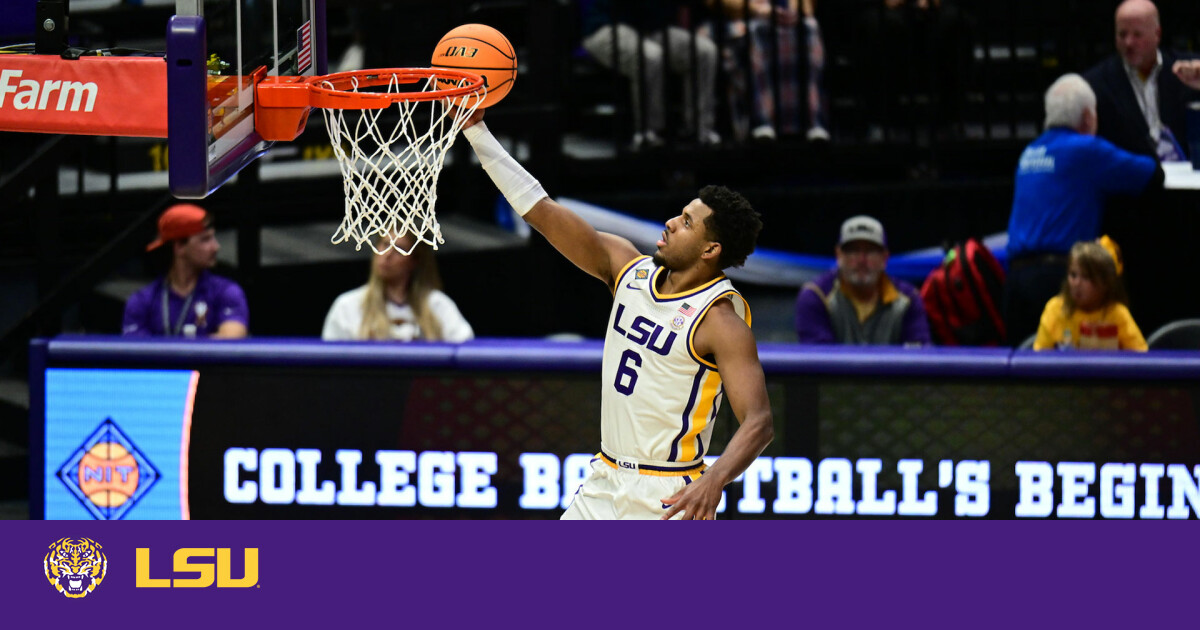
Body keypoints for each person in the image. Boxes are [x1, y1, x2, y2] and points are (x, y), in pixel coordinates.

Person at [461, 109, 773, 520]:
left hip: (669, 491)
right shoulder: (628, 268)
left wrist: (714, 480)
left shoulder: (720, 320)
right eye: (679, 214)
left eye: (686, 222)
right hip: (604, 479)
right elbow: (542, 210)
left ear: (710, 250)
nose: (670, 223)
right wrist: (475, 130)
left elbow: (759, 422)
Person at [1003, 73, 1162, 346]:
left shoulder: (1029, 152)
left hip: (1014, 283)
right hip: (1058, 281)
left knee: (1024, 381)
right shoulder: (1085, 149)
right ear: (1088, 117)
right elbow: (1150, 175)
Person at [579, 0, 721, 148]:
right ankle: (649, 134)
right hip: (607, 25)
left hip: (651, 28)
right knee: (650, 57)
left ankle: (699, 131)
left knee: (704, 52)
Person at [1082, 0, 1200, 161]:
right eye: (1122, 34)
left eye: (1137, 34)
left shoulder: (1189, 70)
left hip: (1187, 177)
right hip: (1131, 180)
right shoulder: (1095, 83)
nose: (1129, 43)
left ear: (1157, 34)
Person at [794, 215, 931, 345]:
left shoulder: (908, 300)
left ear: (885, 258)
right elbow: (818, 362)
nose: (861, 260)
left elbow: (919, 358)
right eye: (853, 250)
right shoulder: (816, 296)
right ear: (838, 255)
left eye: (871, 251)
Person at [122, 204, 248, 338]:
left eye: (213, 237)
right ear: (179, 247)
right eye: (205, 239)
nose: (216, 247)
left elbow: (232, 340)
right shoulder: (142, 300)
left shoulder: (226, 291)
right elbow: (136, 351)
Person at [711, 0, 828, 142]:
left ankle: (813, 121)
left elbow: (807, 6)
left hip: (780, 18)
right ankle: (762, 121)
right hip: (740, 19)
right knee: (754, 32)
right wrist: (757, 9)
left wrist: (792, 11)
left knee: (810, 27)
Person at [322, 233, 473, 342]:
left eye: (398, 249)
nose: (387, 254)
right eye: (385, 244)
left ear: (414, 261)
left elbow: (466, 349)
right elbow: (329, 363)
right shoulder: (348, 305)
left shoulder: (437, 305)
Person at [1033, 238, 1147, 351]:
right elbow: (1038, 359)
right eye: (1073, 275)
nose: (1077, 283)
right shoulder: (1055, 309)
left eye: (1086, 277)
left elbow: (1141, 358)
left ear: (1105, 283)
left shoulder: (1118, 314)